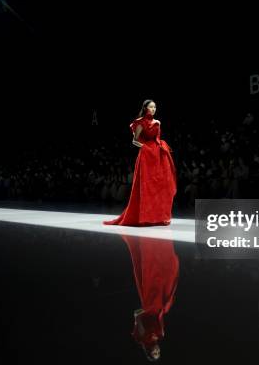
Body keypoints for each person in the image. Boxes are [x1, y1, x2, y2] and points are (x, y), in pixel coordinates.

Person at [104, 100, 179, 362]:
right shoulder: (140, 125)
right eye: (151, 107)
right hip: (147, 156)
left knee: (161, 186)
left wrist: (155, 146)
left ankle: (157, 215)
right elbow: (135, 142)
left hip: (156, 154)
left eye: (156, 108)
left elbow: (138, 315)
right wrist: (147, 147)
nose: (154, 111)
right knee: (149, 187)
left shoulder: (157, 124)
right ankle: (146, 215)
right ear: (144, 109)